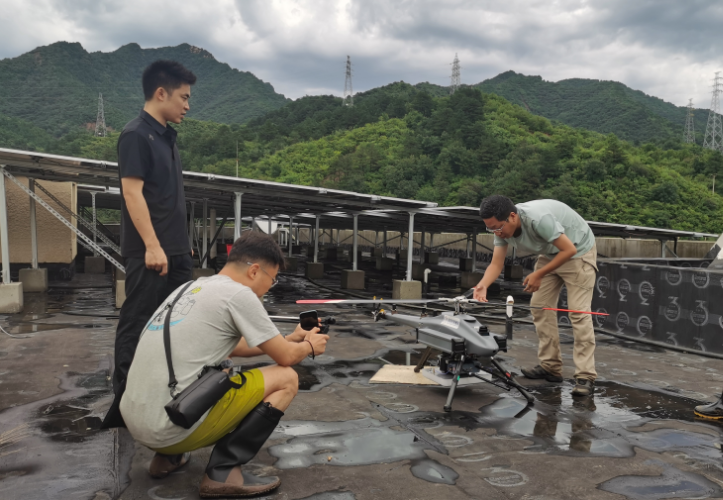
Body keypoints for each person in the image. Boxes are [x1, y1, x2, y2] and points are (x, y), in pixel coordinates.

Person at [120, 231, 329, 498]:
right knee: (287, 378)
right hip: (168, 426)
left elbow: (237, 346)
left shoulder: (191, 288)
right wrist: (309, 346)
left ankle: (167, 458)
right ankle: (223, 473)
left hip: (138, 420)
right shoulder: (238, 294)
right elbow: (286, 358)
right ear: (254, 271)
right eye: (272, 279)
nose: (269, 287)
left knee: (219, 365)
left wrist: (288, 339)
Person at [112, 60, 197, 394]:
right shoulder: (136, 135)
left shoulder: (167, 138)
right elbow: (132, 193)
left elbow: (166, 198)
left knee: (178, 323)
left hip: (176, 250)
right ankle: (126, 398)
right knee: (138, 321)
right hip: (150, 253)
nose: (187, 106)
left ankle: (164, 390)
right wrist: (152, 245)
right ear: (161, 93)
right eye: (183, 97)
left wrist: (181, 243)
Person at [473, 195, 598, 397]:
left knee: (578, 313)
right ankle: (551, 367)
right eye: (490, 229)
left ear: (512, 217)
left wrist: (539, 274)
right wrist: (483, 285)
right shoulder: (500, 229)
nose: (496, 232)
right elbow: (496, 264)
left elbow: (569, 249)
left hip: (578, 251)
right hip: (551, 254)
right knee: (540, 307)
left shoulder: (538, 220)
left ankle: (585, 376)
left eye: (497, 227)